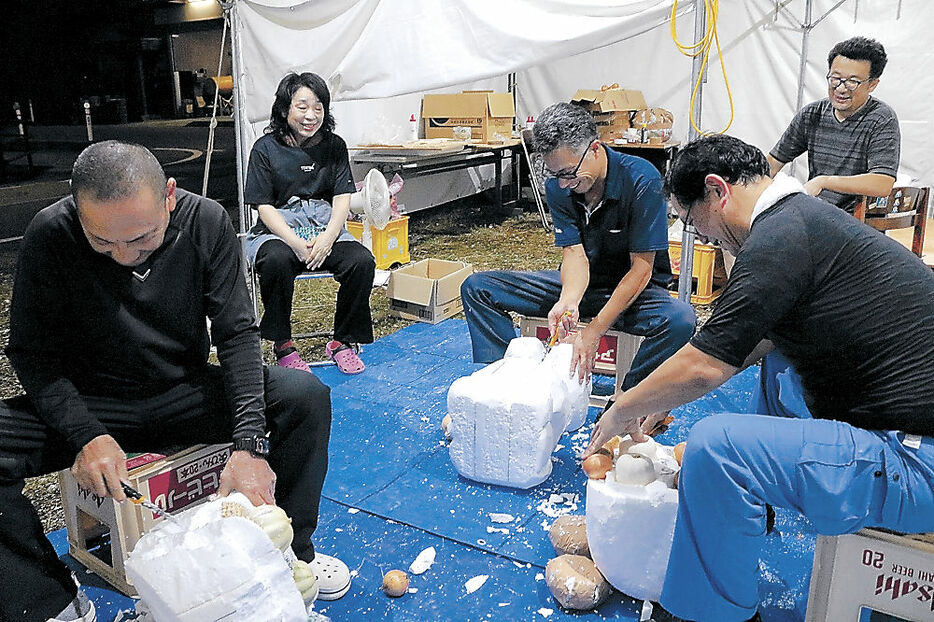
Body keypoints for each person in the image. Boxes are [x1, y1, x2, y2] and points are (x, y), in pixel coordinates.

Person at [584, 135, 934, 622]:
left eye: (692, 222)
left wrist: (623, 407)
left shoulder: (780, 239)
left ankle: (711, 612)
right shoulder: (802, 221)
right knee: (778, 360)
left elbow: (706, 365)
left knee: (719, 447)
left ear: (716, 191)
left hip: (916, 463)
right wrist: (662, 396)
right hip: (910, 435)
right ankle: (751, 507)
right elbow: (749, 342)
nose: (701, 237)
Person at [0, 142, 351, 622]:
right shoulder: (50, 233)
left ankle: (291, 554)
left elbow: (235, 334)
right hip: (95, 402)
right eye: (102, 242)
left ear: (169, 195)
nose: (123, 256)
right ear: (77, 207)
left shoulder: (205, 220)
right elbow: (31, 354)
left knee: (303, 396)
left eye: (142, 239)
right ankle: (53, 601)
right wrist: (85, 433)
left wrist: (249, 444)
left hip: (182, 391)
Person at [461, 102, 696, 390]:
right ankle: (505, 383)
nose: (562, 184)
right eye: (555, 174)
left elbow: (642, 270)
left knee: (681, 320)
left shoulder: (641, 179)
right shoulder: (560, 186)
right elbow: (574, 253)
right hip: (586, 286)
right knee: (478, 288)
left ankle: (626, 402)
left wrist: (595, 330)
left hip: (635, 292)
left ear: (595, 149)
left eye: (569, 173)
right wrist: (569, 300)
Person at [244, 72, 374, 374]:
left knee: (361, 262)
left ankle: (342, 342)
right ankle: (283, 345)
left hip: (323, 225)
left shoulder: (334, 146)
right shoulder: (265, 149)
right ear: (284, 109)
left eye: (318, 107)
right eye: (302, 106)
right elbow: (263, 205)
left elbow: (342, 197)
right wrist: (295, 243)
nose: (311, 115)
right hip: (279, 228)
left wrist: (328, 238)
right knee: (275, 260)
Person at [768, 36, 900, 212]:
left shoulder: (881, 119)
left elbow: (882, 183)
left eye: (852, 82)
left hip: (854, 222)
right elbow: (774, 163)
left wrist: (824, 181)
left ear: (872, 85)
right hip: (815, 211)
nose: (841, 88)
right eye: (835, 78)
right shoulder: (812, 114)